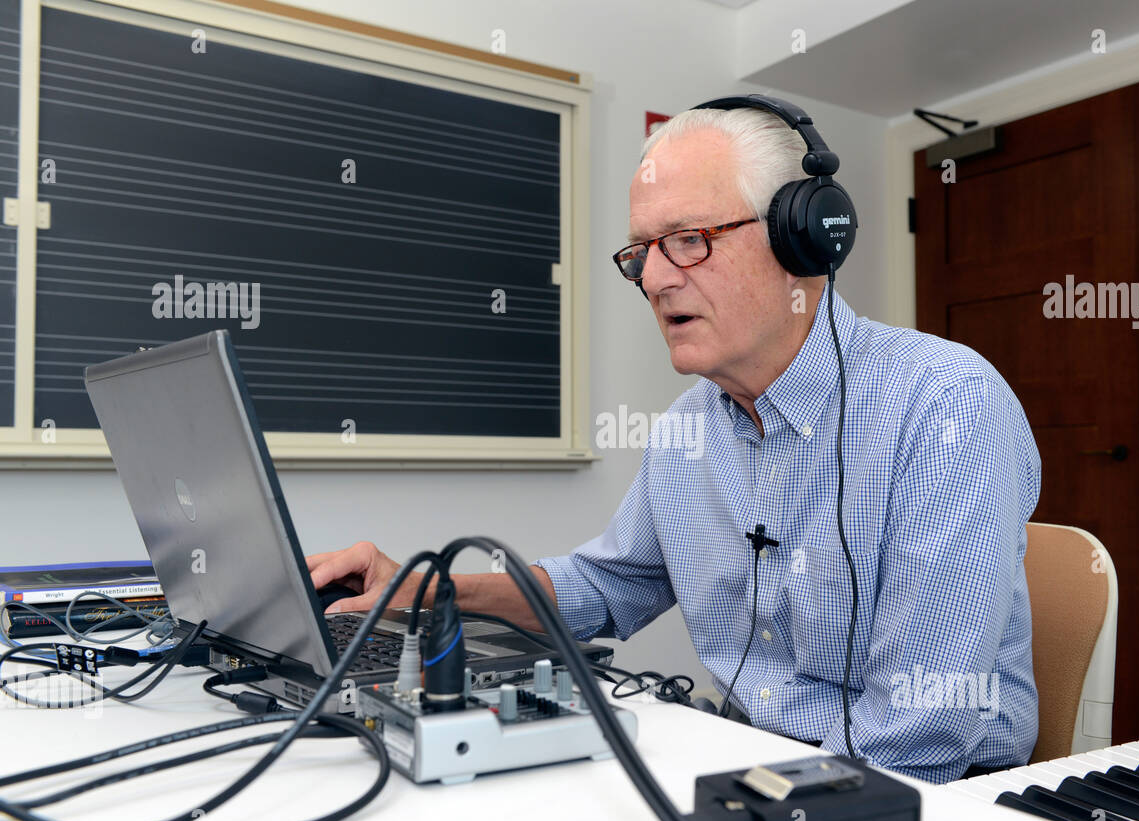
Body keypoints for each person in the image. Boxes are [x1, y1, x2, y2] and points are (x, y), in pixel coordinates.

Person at [308, 101, 1042, 784]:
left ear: (802, 235)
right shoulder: (688, 430)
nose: (656, 278)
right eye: (641, 253)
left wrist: (741, 813)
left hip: (923, 803)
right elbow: (603, 587)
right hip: (753, 764)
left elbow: (919, 735)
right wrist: (429, 591)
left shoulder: (945, 406)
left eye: (689, 241)